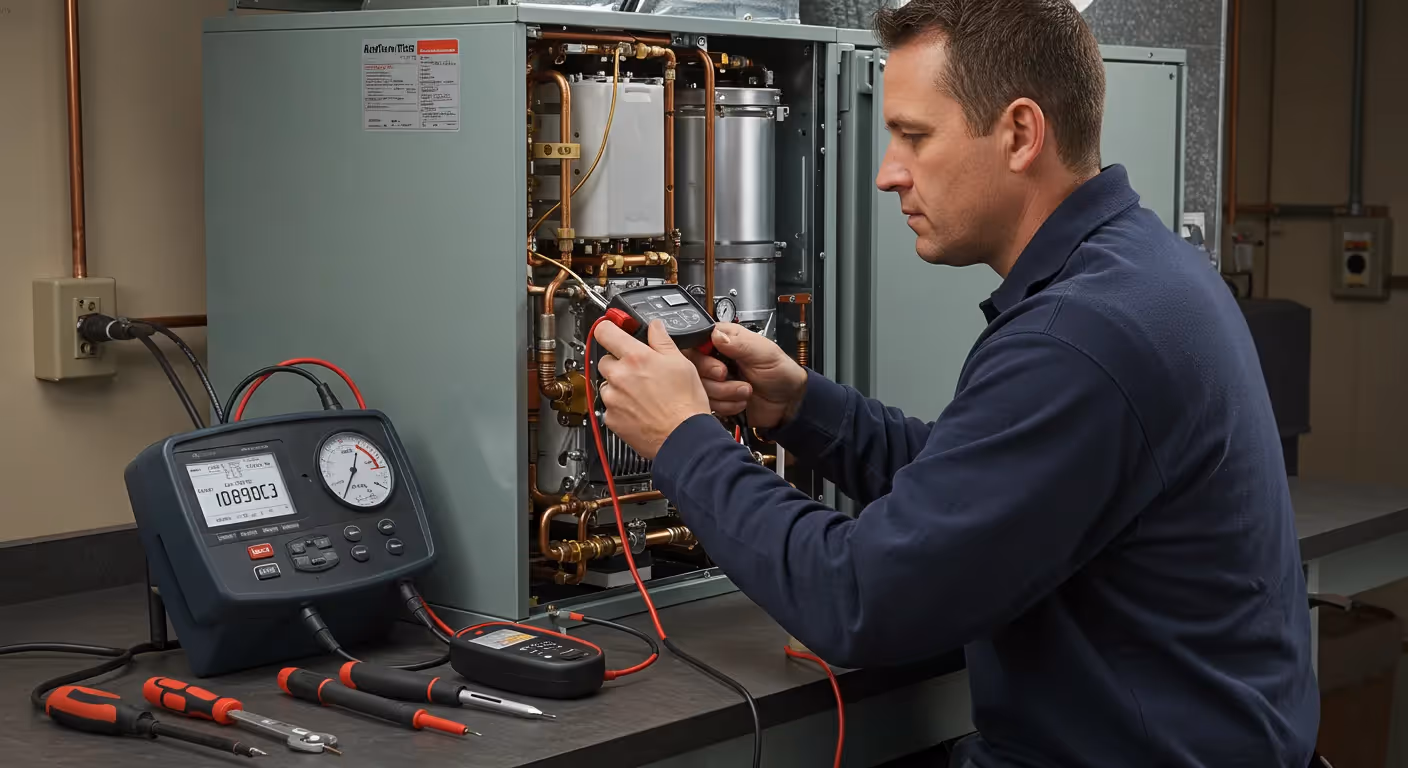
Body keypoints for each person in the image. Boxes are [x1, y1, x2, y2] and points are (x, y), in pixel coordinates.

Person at [590, 0, 1319, 765]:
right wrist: (801, 405)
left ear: (1019, 134)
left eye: (914, 135)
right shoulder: (1141, 271)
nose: (886, 174)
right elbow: (981, 484)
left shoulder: (1080, 336)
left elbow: (861, 599)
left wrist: (682, 439)